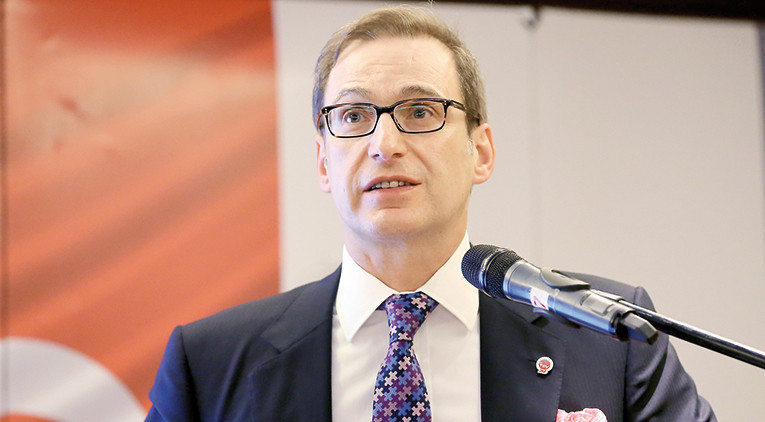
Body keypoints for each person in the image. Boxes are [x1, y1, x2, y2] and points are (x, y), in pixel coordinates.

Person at [145, 5, 716, 421]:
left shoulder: (607, 335)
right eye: (353, 116)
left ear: (480, 151)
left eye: (420, 111)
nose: (384, 144)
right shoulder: (211, 364)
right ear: (322, 162)